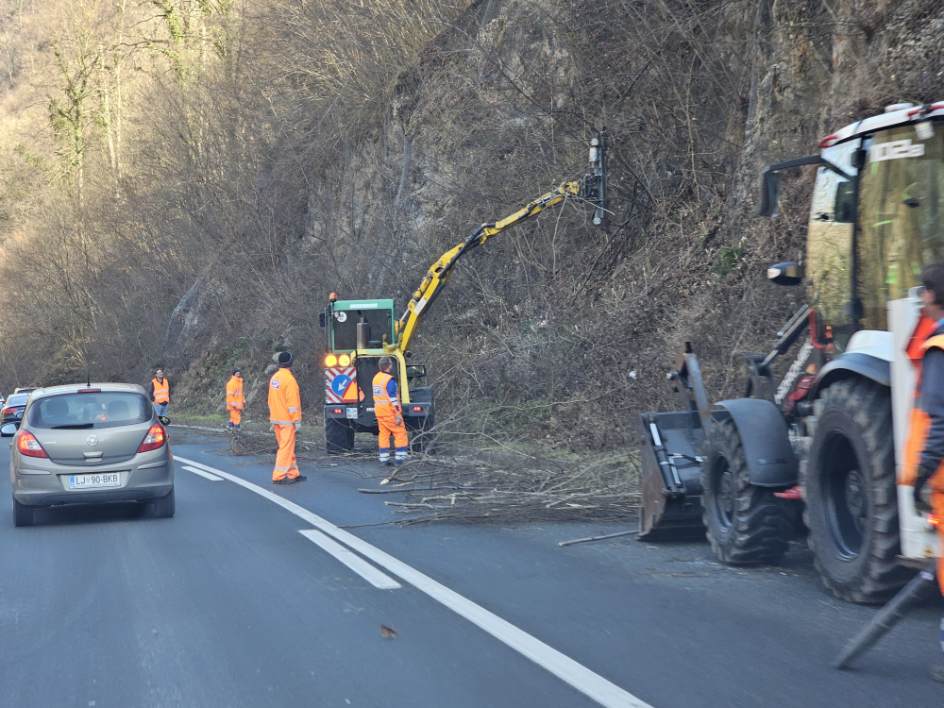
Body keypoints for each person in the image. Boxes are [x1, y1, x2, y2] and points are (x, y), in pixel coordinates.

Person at [902, 263, 944, 682]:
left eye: (922, 292)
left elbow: (939, 423)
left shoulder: (938, 348)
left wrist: (920, 477)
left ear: (931, 295)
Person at [268, 352, 305, 485]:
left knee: (287, 447)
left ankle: (293, 473)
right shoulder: (289, 380)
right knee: (285, 448)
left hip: (277, 418)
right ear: (291, 363)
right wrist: (297, 420)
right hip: (287, 421)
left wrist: (272, 418)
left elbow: (271, 399)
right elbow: (293, 403)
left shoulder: (275, 378)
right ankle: (278, 476)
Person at [372, 357, 409, 466]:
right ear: (389, 366)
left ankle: (384, 459)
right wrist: (398, 415)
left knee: (384, 434)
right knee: (400, 433)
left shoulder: (376, 378)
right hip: (390, 412)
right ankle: (400, 459)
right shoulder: (389, 380)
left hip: (379, 411)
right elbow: (393, 399)